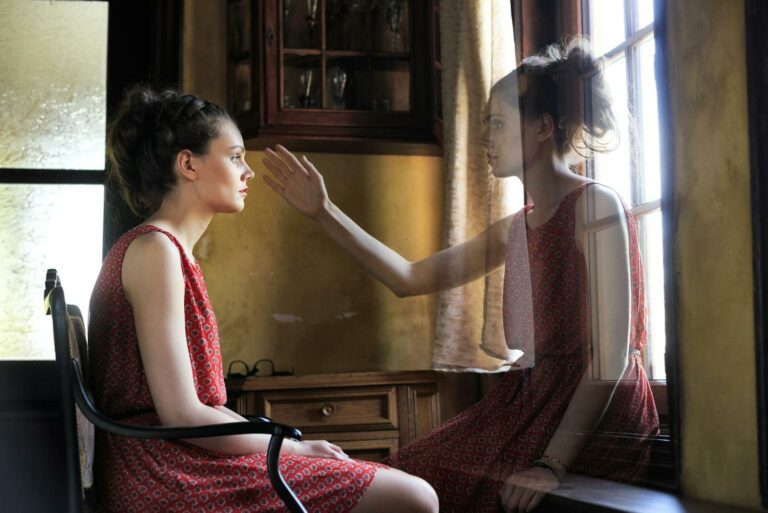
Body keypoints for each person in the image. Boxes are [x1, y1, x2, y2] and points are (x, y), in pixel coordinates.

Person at [262, 38, 659, 513]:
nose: (485, 138)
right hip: (531, 404)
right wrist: (324, 211)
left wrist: (551, 465)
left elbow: (611, 360)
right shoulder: (518, 226)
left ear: (542, 127)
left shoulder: (596, 205)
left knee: (419, 489)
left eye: (498, 123)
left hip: (593, 420)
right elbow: (409, 277)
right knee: (395, 479)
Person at [88, 87, 439, 513]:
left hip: (180, 457)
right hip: (164, 470)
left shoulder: (166, 250)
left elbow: (200, 410)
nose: (248, 172)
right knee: (414, 496)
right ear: (188, 164)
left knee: (408, 488)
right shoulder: (154, 250)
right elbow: (182, 414)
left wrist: (287, 442)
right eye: (235, 157)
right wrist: (296, 448)